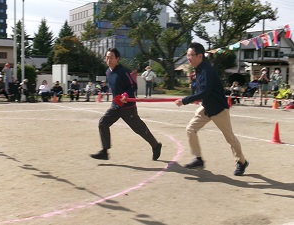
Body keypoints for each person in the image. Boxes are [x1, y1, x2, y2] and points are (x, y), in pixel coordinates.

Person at [174, 42, 248, 176]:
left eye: (191, 55)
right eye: (188, 55)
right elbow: (202, 92)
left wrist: (184, 101)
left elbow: (205, 92)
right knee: (190, 129)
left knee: (230, 138)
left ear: (200, 56)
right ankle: (198, 159)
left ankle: (242, 162)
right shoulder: (198, 69)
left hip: (219, 110)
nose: (188, 58)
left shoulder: (207, 70)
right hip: (206, 108)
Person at [90, 48, 162, 161]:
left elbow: (133, 86)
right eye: (107, 57)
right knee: (103, 123)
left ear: (117, 59)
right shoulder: (108, 72)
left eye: (111, 57)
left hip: (128, 107)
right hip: (115, 106)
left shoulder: (123, 71)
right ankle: (105, 151)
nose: (108, 59)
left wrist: (125, 95)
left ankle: (156, 145)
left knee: (139, 129)